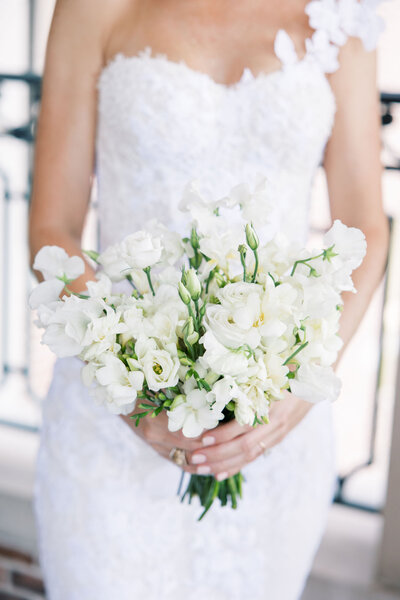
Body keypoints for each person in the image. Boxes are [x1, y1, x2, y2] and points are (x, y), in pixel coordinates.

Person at [28, 1, 389, 599]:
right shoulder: (93, 7)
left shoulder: (340, 16)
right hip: (109, 423)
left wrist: (300, 386)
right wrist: (129, 386)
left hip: (269, 423)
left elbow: (366, 230)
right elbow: (53, 230)